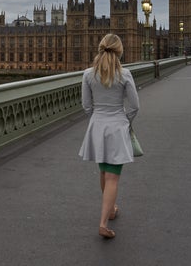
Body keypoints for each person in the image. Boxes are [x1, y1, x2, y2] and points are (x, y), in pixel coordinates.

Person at [78, 34, 141, 239]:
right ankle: (103, 223)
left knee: (104, 173)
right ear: (120, 51)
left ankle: (111, 209)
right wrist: (124, 121)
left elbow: (87, 106)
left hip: (97, 126)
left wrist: (98, 118)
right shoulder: (125, 74)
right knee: (113, 176)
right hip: (116, 126)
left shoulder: (88, 74)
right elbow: (134, 106)